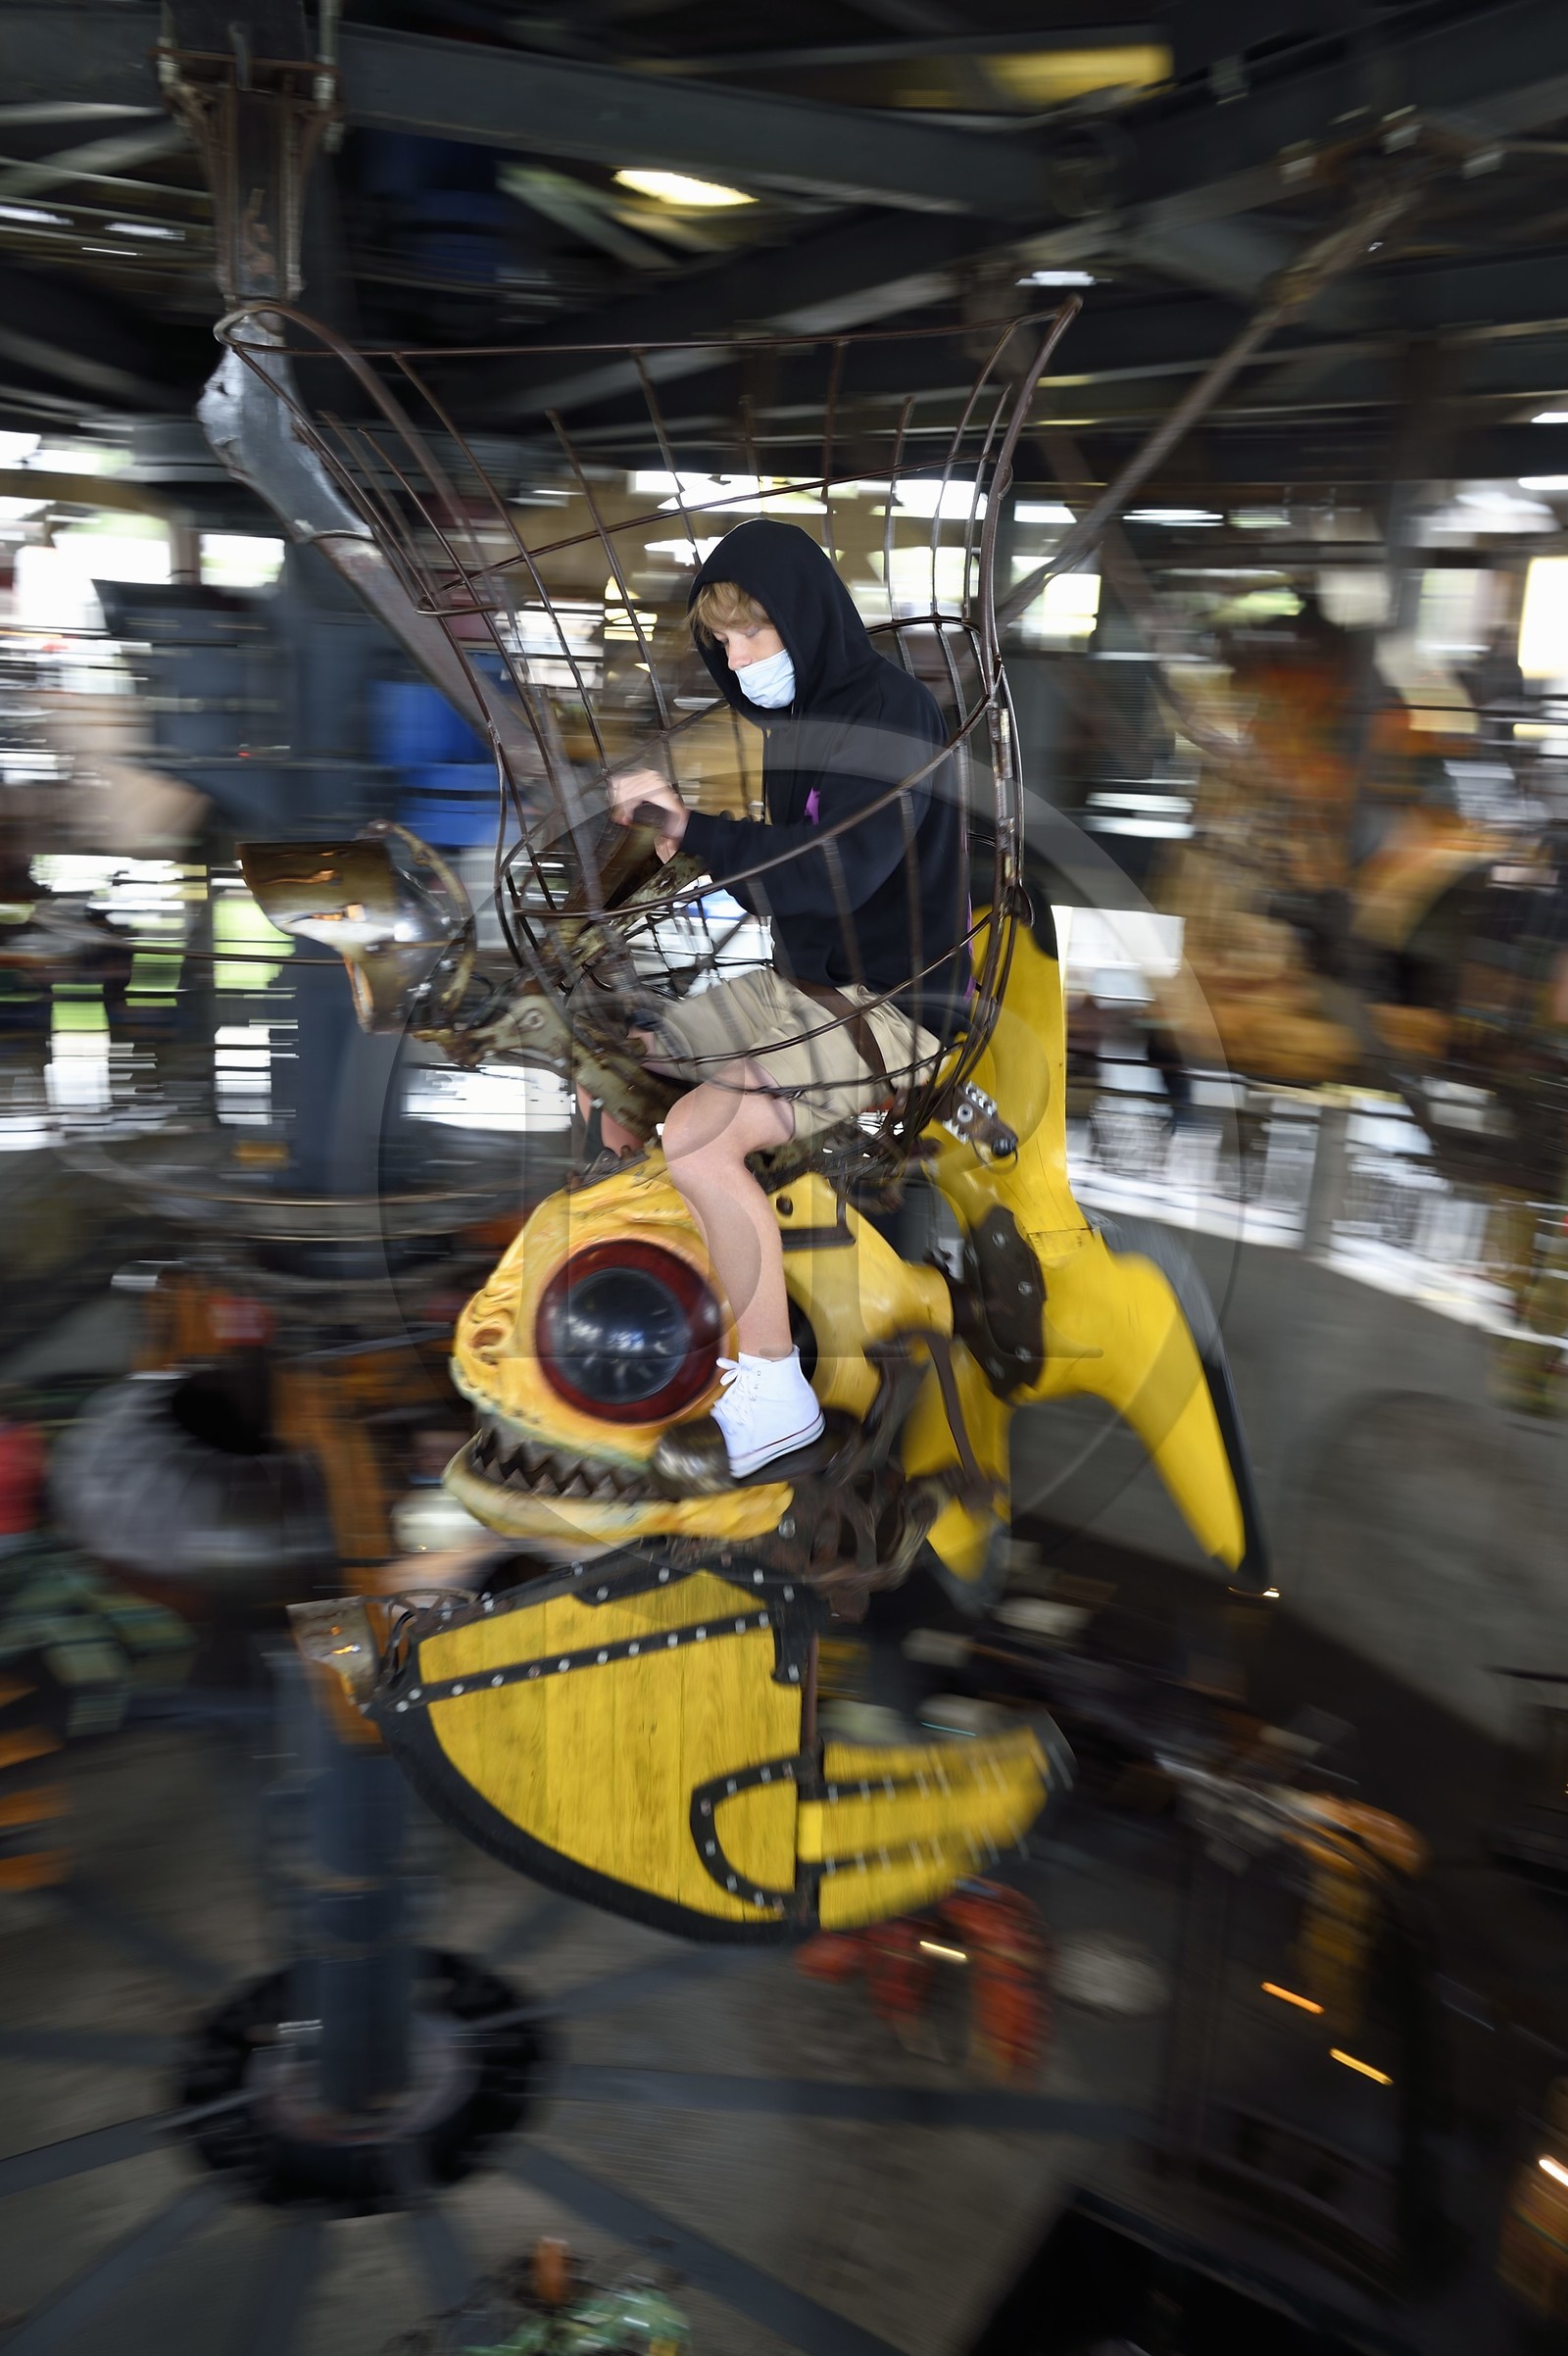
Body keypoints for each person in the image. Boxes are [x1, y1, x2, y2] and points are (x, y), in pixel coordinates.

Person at [601, 518, 969, 1480]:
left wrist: (699, 830)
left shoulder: (888, 715)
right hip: (805, 987)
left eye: (753, 634)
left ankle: (772, 1391)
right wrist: (680, 839)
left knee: (697, 1134)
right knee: (621, 1073)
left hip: (895, 1008)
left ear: (805, 618)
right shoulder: (793, 729)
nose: (738, 657)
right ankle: (710, 1301)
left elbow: (833, 873)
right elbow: (778, 884)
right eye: (722, 642)